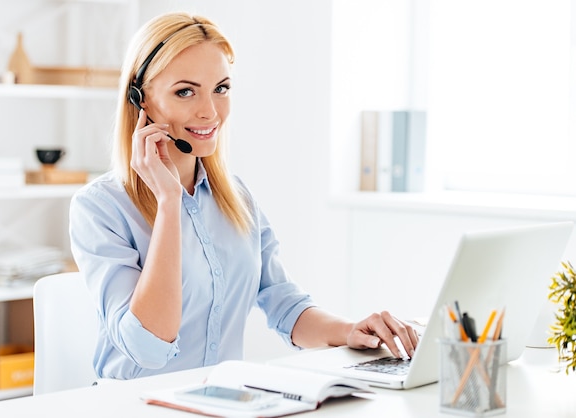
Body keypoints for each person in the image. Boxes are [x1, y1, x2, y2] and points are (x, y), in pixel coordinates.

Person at [69, 11, 419, 380]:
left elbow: (284, 305)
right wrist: (170, 202)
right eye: (185, 91)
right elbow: (149, 348)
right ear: (140, 100)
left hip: (219, 400)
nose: (210, 111)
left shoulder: (236, 198)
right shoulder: (100, 207)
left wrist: (350, 331)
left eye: (221, 88)